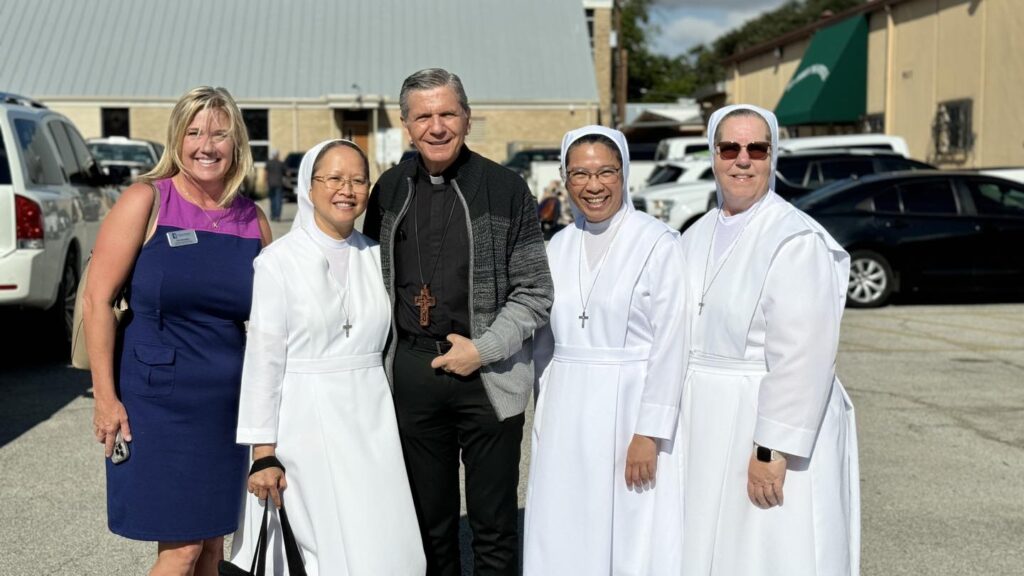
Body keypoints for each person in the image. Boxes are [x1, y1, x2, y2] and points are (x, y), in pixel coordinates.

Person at [363, 68, 553, 576]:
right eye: (423, 116)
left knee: (492, 527)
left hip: (488, 378)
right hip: (414, 374)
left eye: (448, 113)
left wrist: (484, 349)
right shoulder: (386, 191)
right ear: (405, 125)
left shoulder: (505, 188)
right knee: (429, 526)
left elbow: (535, 292)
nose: (437, 126)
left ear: (467, 118)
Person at [84, 86, 272, 575]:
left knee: (212, 546)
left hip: (225, 406)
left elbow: (275, 321)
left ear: (237, 145)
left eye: (219, 134)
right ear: (177, 139)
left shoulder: (252, 220)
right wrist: (105, 397)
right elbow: (97, 301)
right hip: (156, 403)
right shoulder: (148, 199)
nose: (206, 145)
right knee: (182, 550)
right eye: (193, 132)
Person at [676, 104, 860, 576]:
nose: (743, 159)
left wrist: (770, 448)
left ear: (772, 156)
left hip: (765, 422)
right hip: (709, 420)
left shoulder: (794, 239)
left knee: (771, 549)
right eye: (729, 148)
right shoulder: (695, 233)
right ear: (713, 155)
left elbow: (804, 356)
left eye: (756, 148)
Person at [228, 140, 426, 575]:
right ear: (309, 187)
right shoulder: (276, 262)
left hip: (372, 422)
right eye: (334, 179)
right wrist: (264, 452)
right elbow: (264, 360)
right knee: (316, 546)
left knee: (382, 543)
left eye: (358, 180)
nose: (347, 190)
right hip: (305, 423)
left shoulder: (378, 256)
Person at [524, 126, 686, 575]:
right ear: (565, 177)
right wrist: (546, 407)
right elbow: (544, 343)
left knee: (629, 528)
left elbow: (671, 344)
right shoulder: (558, 245)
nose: (593, 186)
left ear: (625, 174)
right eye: (579, 174)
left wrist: (649, 433)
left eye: (605, 172)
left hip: (630, 410)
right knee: (566, 523)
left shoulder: (658, 243)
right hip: (567, 412)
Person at [265, 148, 285, 221]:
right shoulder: (280, 163)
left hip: (271, 184)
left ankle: (273, 215)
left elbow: (266, 174)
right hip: (279, 184)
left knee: (272, 200)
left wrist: (265, 182)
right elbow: (287, 172)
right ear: (277, 155)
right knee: (278, 200)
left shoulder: (268, 163)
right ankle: (277, 216)